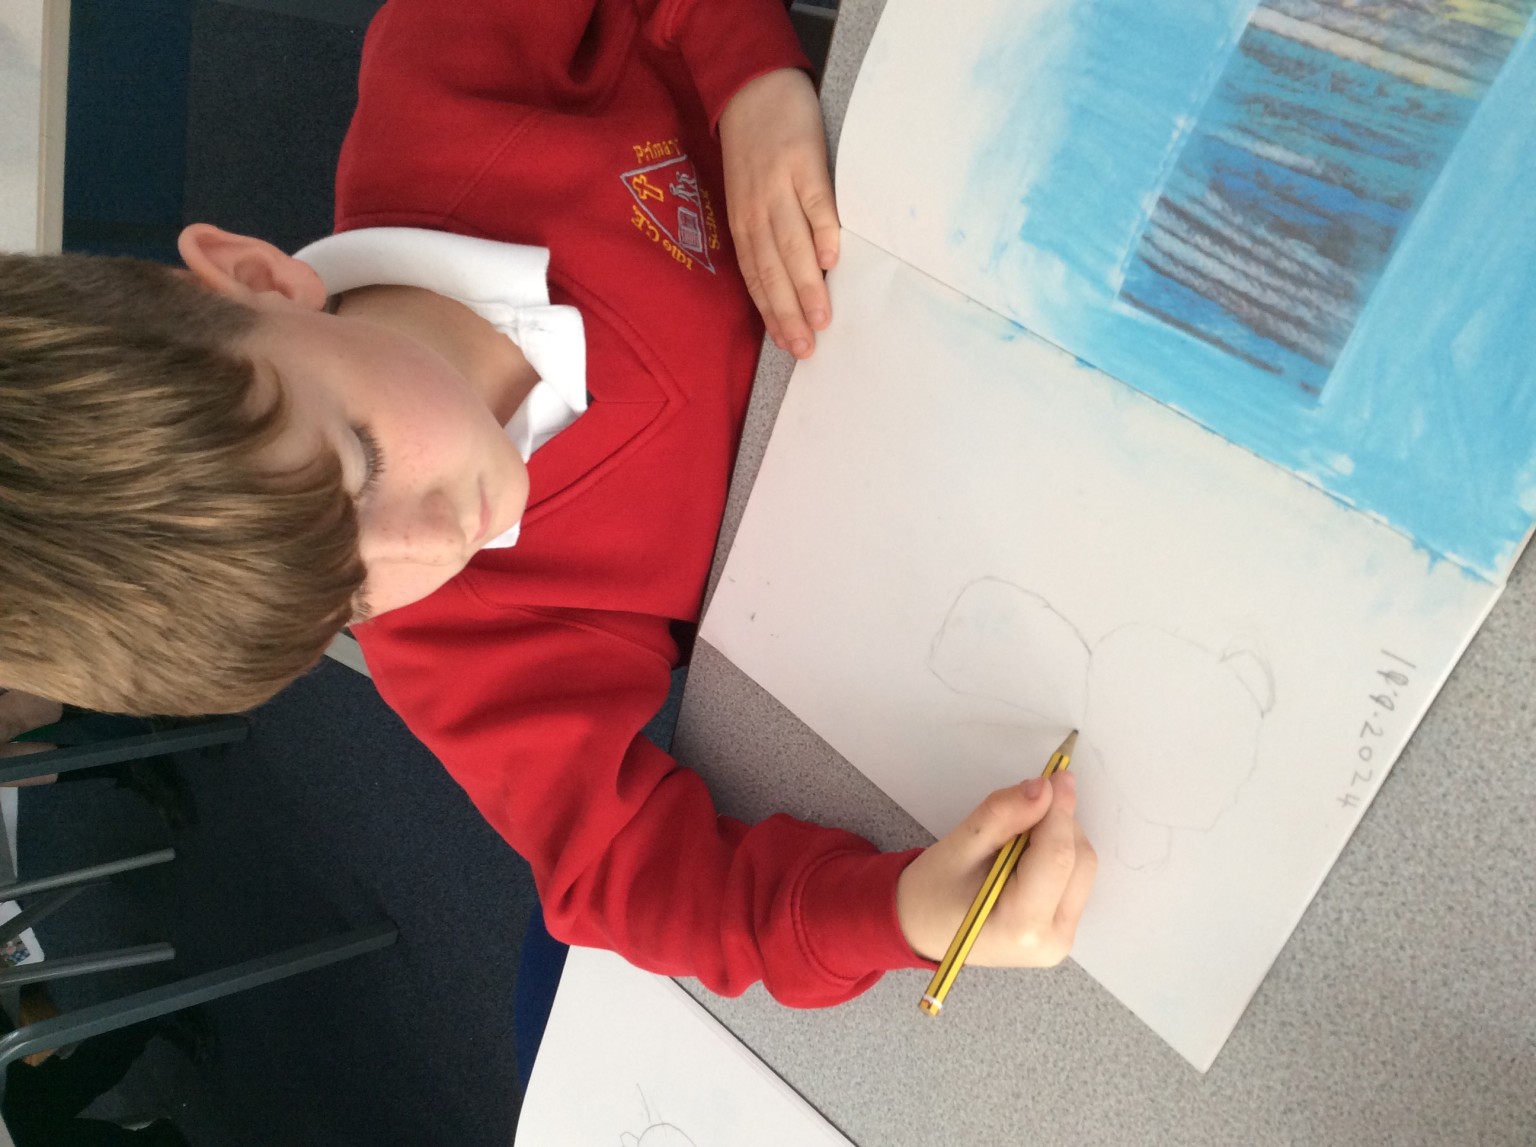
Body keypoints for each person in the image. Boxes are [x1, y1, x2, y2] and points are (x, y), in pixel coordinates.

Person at [0, 0, 1095, 1008]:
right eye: (347, 597)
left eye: (357, 462)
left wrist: (749, 78)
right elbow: (618, 869)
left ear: (258, 280)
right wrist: (894, 914)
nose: (436, 539)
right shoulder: (447, 647)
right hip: (1015, 532)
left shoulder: (443, 82)